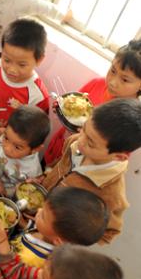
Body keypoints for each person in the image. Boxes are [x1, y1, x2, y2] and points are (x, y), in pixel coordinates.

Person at [42, 98, 141, 243]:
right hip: (39, 207)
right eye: (83, 129)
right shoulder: (75, 142)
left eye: (90, 143)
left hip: (51, 238)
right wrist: (45, 175)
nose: (80, 140)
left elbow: (107, 235)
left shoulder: (111, 194)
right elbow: (60, 165)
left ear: (118, 156)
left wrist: (64, 236)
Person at [44, 39, 141, 166]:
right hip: (59, 147)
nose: (112, 82)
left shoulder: (132, 119)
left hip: (79, 165)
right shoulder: (97, 83)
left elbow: (112, 159)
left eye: (125, 79)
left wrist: (86, 135)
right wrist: (63, 109)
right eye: (113, 71)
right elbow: (71, 106)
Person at [0, 19, 50, 155]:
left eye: (22, 64)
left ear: (39, 59)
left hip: (7, 150)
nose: (11, 69)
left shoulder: (38, 96)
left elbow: (33, 133)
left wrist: (6, 135)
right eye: (7, 60)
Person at [10, 187, 109, 270]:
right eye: (42, 208)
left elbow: (8, 269)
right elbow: (37, 231)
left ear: (58, 240)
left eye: (43, 216)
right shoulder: (48, 234)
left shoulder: (31, 259)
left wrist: (2, 240)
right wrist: (25, 225)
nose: (39, 210)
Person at [0, 105, 50, 197]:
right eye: (6, 138)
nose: (7, 148)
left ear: (35, 149)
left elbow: (23, 192)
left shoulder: (33, 171)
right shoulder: (9, 136)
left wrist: (6, 192)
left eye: (17, 147)